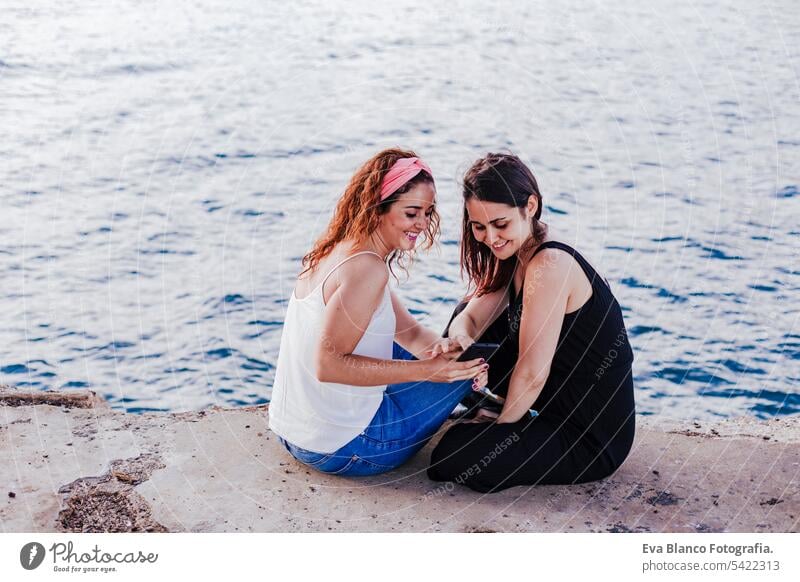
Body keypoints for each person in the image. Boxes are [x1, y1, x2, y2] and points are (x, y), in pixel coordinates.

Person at [268, 148, 489, 477]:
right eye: (412, 212)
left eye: (428, 213)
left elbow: (411, 333)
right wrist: (431, 372)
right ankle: (494, 406)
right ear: (379, 207)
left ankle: (472, 387)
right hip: (351, 447)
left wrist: (447, 350)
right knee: (468, 366)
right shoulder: (367, 270)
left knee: (457, 358)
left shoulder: (340, 250)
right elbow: (327, 365)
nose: (422, 224)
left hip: (293, 432)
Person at [426, 152, 636, 493]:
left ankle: (506, 417)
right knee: (462, 312)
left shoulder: (549, 264)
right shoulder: (519, 253)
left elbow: (532, 372)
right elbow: (471, 315)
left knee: (451, 457)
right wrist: (462, 342)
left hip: (589, 437)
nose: (490, 238)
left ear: (531, 206)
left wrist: (501, 433)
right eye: (478, 226)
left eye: (500, 224)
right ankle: (502, 412)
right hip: (552, 406)